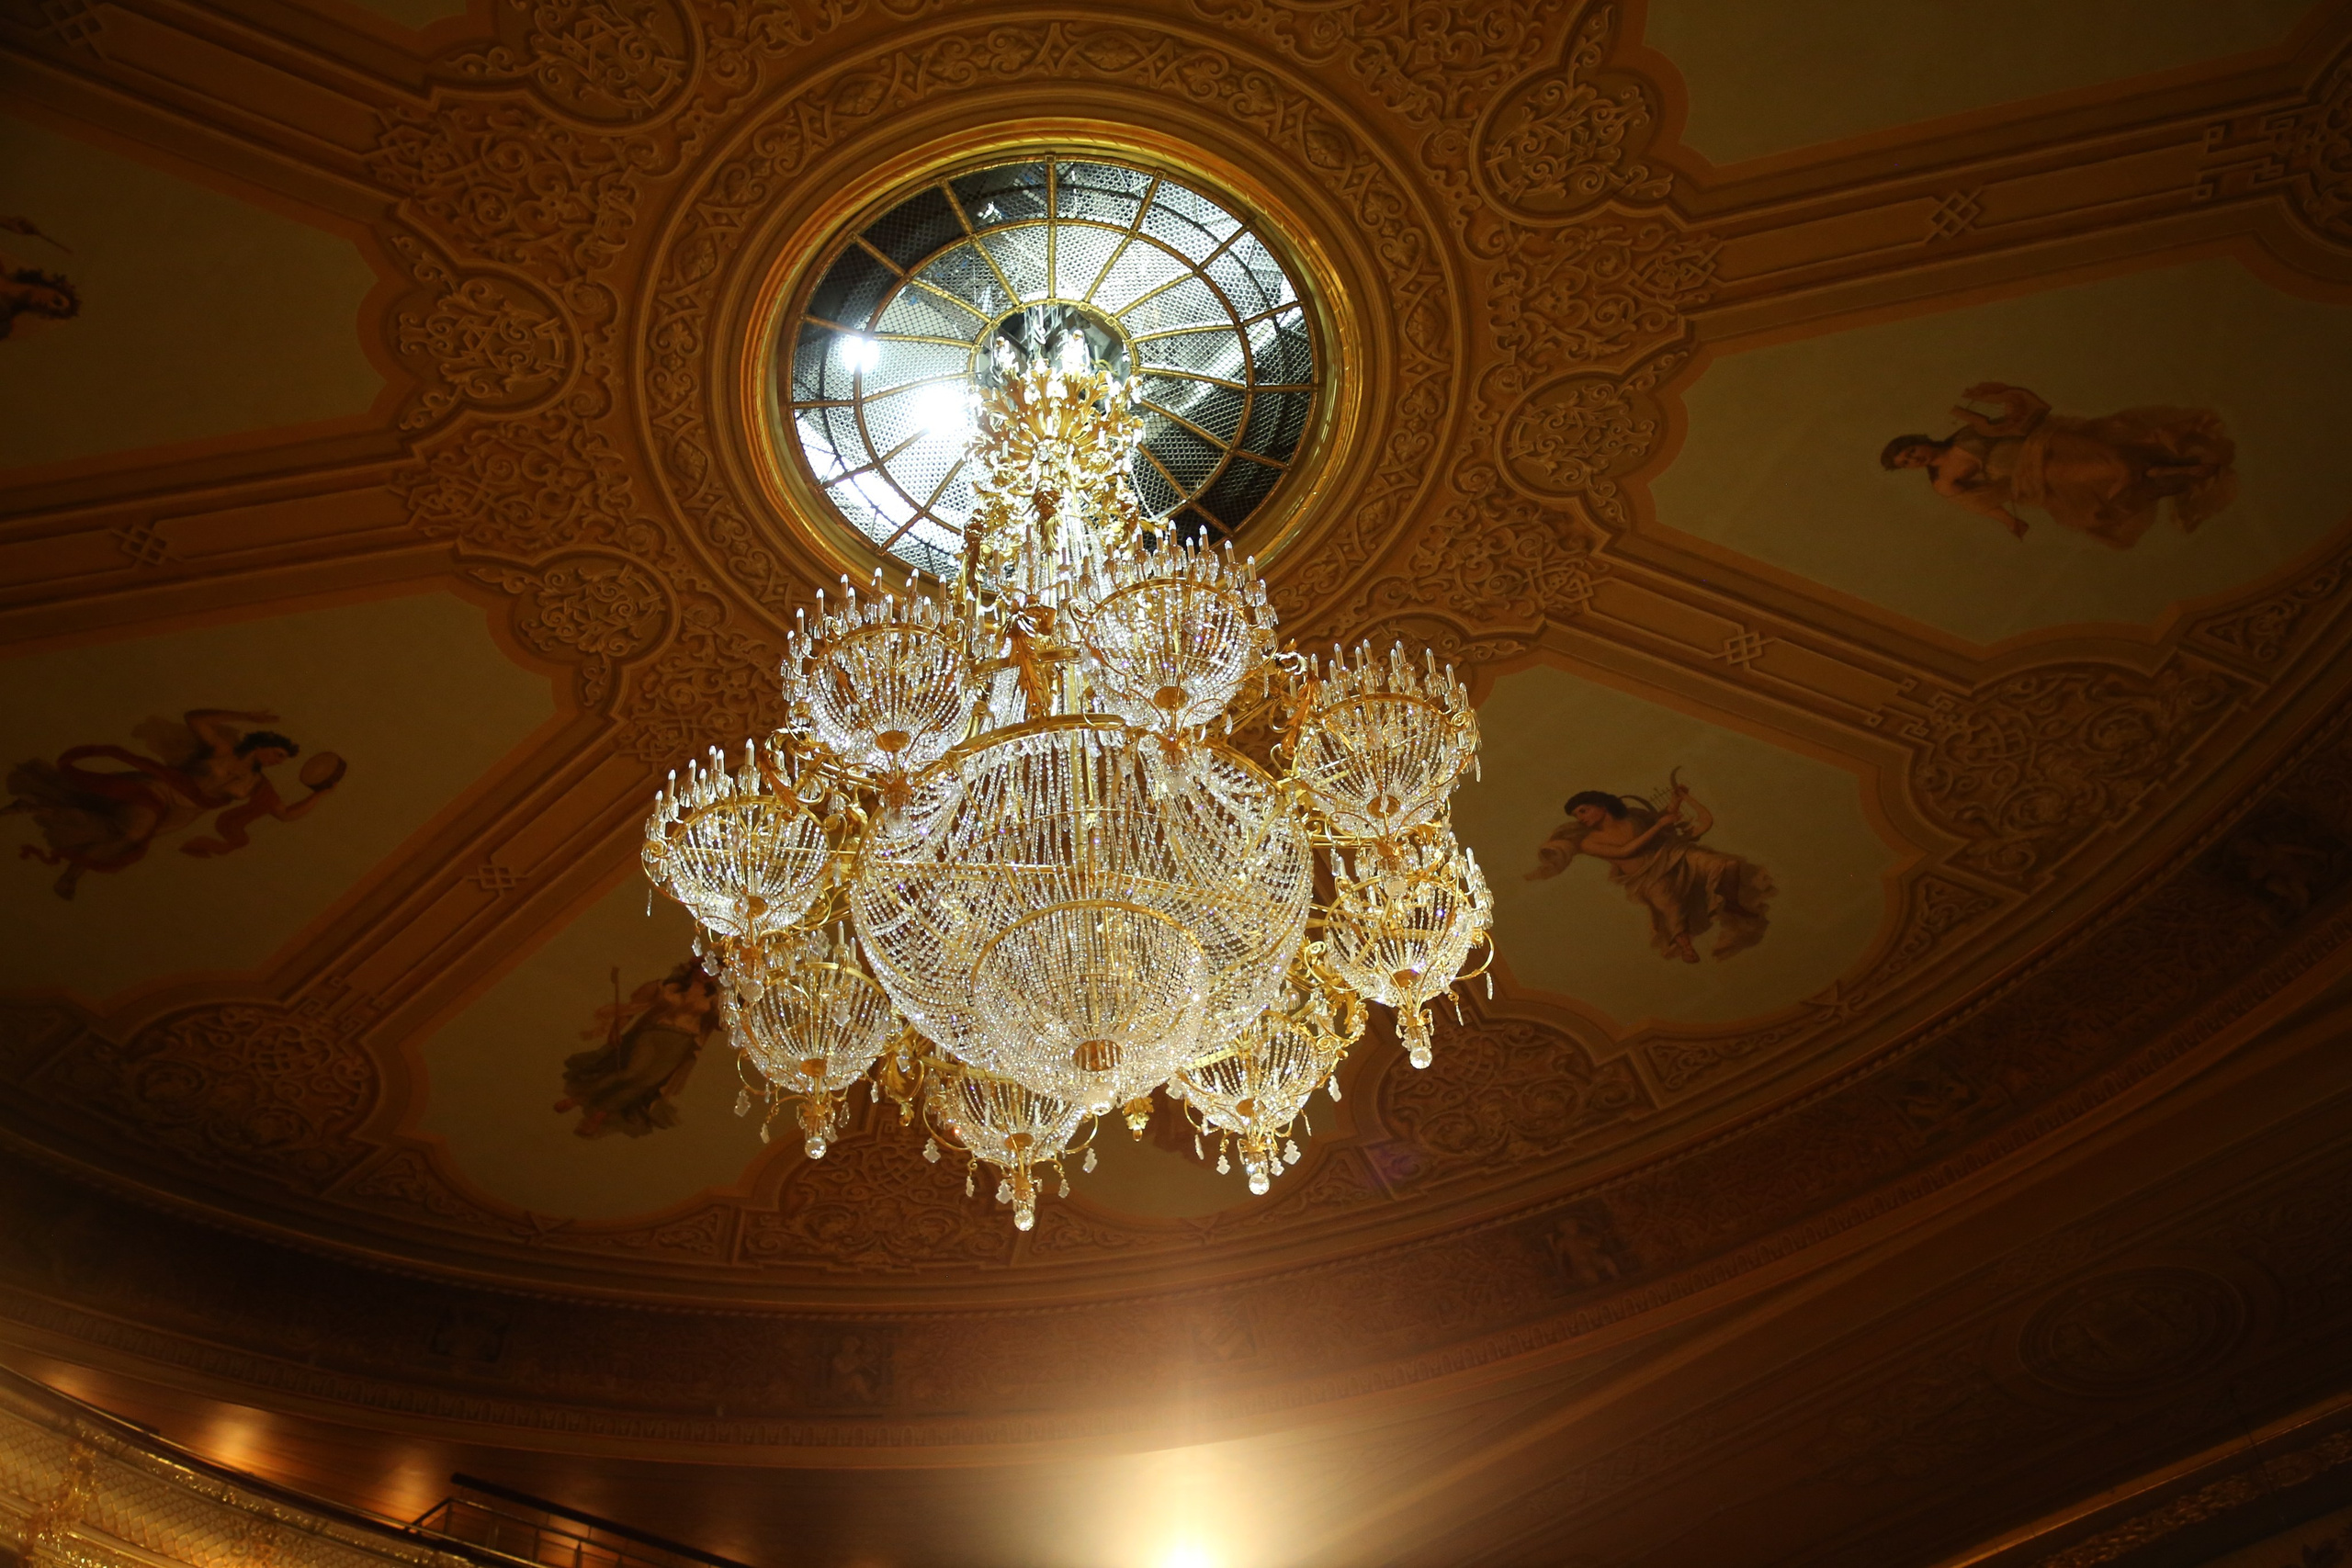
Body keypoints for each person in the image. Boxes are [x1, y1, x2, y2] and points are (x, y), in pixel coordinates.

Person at [6, 708, 341, 898]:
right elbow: (195, 718)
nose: (278, 761)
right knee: (135, 834)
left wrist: (320, 793)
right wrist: (245, 716)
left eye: (282, 760)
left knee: (118, 839)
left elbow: (285, 815)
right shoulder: (222, 750)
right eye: (278, 754)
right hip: (160, 791)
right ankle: (56, 841)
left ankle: (53, 838)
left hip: (181, 814)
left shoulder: (257, 784)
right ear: (264, 745)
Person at [1880, 381, 2235, 548]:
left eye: (1910, 450)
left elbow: (2008, 426)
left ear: (1919, 441)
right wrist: (2010, 522)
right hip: (2032, 474)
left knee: (2108, 450)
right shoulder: (1943, 481)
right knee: (2109, 476)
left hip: (2041, 447)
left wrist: (2001, 398)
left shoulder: (1963, 437)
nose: (1914, 458)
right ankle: (2178, 473)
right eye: (1907, 462)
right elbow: (1980, 503)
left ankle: (2174, 462)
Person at [1526, 774, 1774, 963]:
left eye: (1583, 810)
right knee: (1668, 906)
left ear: (1602, 806)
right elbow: (1625, 852)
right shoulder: (1589, 841)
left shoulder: (1632, 816)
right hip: (1646, 876)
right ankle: (1685, 945)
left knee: (1725, 865)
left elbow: (1662, 819)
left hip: (1673, 855)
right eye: (1576, 816)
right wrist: (1659, 826)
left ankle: (1730, 904)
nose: (1580, 818)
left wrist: (1676, 801)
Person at [554, 961, 723, 1138]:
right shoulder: (668, 987)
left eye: (714, 973)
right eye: (707, 968)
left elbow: (721, 1024)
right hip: (655, 1033)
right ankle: (579, 1098)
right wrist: (615, 1030)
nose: (708, 974)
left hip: (681, 1042)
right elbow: (633, 1008)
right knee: (631, 1072)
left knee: (646, 1082)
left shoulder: (711, 999)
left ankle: (599, 1114)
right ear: (695, 968)